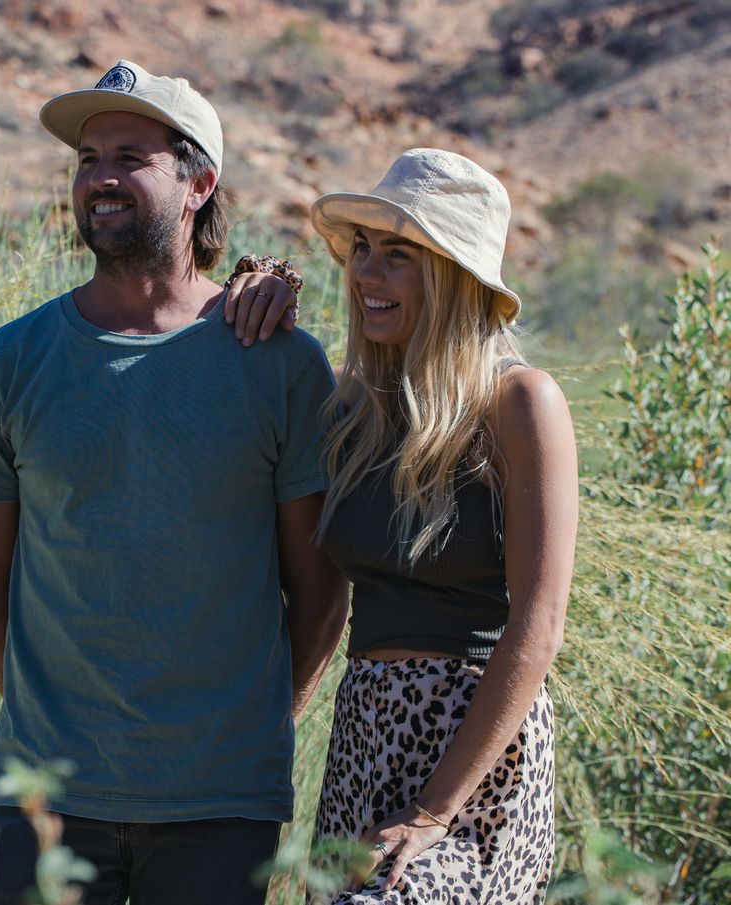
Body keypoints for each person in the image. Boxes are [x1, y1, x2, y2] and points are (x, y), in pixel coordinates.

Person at [0, 60, 349, 904]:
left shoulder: (280, 364)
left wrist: (254, 732)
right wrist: (60, 733)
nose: (101, 178)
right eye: (88, 159)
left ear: (200, 182)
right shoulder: (6, 362)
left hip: (220, 803)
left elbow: (319, 592)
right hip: (46, 796)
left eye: (130, 158)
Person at [301, 149, 577, 899]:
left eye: (400, 255)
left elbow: (540, 624)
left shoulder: (520, 403)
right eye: (362, 249)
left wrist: (433, 810)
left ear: (456, 277)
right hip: (362, 738)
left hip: (476, 757)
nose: (366, 273)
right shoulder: (350, 408)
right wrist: (261, 284)